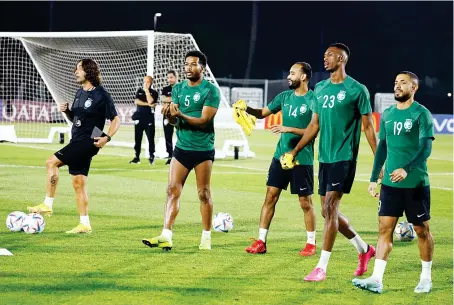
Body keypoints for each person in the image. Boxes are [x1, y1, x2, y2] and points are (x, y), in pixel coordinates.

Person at [284, 43, 379, 282]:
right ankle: (364, 249)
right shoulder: (322, 88)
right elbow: (314, 126)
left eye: (330, 55)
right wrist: (295, 151)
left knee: (331, 209)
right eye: (325, 55)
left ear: (342, 59)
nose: (325, 59)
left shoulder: (357, 90)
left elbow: (368, 127)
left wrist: (380, 163)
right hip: (324, 158)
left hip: (344, 156)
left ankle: (321, 268)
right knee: (328, 213)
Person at [352, 71, 435, 294]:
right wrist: (373, 178)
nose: (397, 86)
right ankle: (377, 278)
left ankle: (426, 278)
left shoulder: (422, 114)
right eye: (396, 82)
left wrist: (406, 169)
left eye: (403, 83)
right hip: (390, 185)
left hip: (416, 184)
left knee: (422, 230)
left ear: (414, 88)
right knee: (384, 230)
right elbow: (383, 148)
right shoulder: (388, 114)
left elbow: (426, 148)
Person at [27, 58, 120, 233]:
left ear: (88, 71)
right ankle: (85, 223)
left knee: (51, 162)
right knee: (78, 182)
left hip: (89, 140)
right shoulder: (79, 92)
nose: (75, 72)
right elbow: (76, 121)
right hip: (77, 138)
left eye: (78, 69)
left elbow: (115, 119)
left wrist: (106, 137)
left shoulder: (102, 94)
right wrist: (68, 111)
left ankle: (48, 203)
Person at [142, 50, 220, 251]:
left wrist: (181, 115)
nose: (188, 67)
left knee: (203, 193)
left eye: (193, 64)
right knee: (172, 190)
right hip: (182, 148)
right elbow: (175, 120)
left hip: (203, 149)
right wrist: (169, 115)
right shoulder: (177, 89)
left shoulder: (211, 91)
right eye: (186, 64)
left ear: (202, 67)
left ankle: (206, 236)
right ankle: (166, 234)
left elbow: (204, 121)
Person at [241, 62, 317, 256]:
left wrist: (288, 128)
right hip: (280, 157)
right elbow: (261, 114)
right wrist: (246, 108)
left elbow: (314, 131)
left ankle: (311, 243)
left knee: (305, 202)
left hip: (302, 159)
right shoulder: (284, 97)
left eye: (292, 73)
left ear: (304, 77)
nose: (288, 77)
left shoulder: (313, 100)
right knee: (270, 197)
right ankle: (261, 241)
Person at [129, 76, 159, 165]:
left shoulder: (154, 93)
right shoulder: (139, 91)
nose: (145, 84)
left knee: (150, 139)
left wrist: (146, 91)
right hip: (139, 118)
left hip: (149, 119)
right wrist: (148, 104)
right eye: (144, 81)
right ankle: (137, 157)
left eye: (147, 82)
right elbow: (137, 101)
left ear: (151, 83)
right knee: (137, 139)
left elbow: (151, 101)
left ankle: (151, 156)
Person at [161, 70, 179, 165]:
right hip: (167, 116)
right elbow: (163, 99)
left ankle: (180, 155)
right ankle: (170, 156)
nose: (169, 79)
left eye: (171, 77)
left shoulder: (181, 88)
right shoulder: (165, 89)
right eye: (168, 78)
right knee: (168, 136)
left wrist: (170, 100)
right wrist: (175, 99)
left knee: (181, 135)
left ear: (176, 77)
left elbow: (181, 100)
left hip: (179, 115)